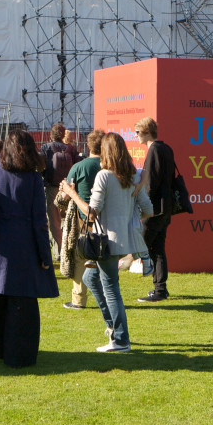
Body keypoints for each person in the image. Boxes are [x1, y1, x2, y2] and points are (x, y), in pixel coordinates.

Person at [0, 130, 59, 368]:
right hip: (24, 249)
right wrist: (44, 256)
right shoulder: (33, 180)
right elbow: (40, 222)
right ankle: (18, 355)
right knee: (22, 304)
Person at [60, 132, 152, 352]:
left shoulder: (105, 176)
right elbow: (148, 210)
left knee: (111, 288)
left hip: (107, 242)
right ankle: (113, 329)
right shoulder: (132, 177)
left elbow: (91, 214)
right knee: (91, 278)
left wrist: (71, 193)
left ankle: (120, 340)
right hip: (123, 241)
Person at [58, 129, 104, 310]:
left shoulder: (79, 167)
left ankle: (78, 299)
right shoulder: (109, 166)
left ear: (88, 146)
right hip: (105, 218)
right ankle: (107, 296)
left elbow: (65, 195)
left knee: (79, 258)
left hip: (82, 218)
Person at [135, 117, 177, 302]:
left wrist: (142, 208)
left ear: (146, 132)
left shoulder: (153, 150)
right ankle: (160, 288)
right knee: (157, 248)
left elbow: (150, 184)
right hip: (165, 208)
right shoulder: (166, 148)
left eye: (137, 132)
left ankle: (159, 288)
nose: (136, 136)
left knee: (142, 245)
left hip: (154, 209)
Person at [39, 122, 80, 251]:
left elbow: (41, 166)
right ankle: (70, 247)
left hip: (52, 187)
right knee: (69, 218)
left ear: (51, 134)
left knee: (54, 220)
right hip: (68, 187)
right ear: (63, 134)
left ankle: (59, 251)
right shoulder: (71, 149)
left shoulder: (46, 147)